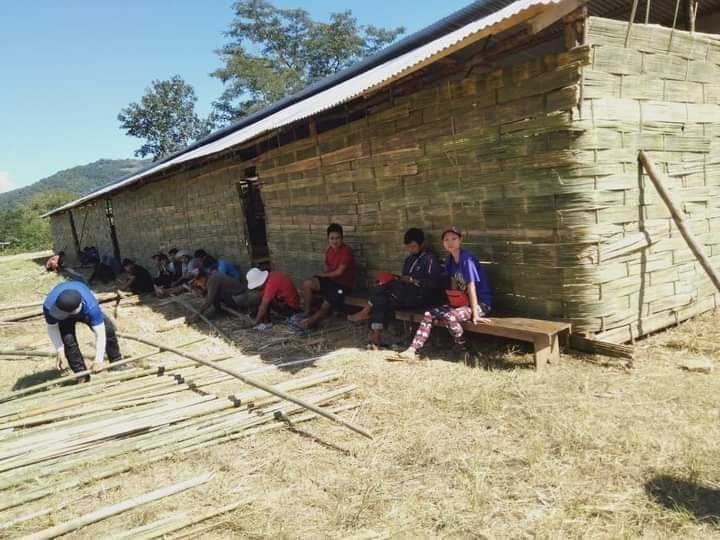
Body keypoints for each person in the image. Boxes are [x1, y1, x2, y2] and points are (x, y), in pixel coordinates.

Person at [399, 226, 492, 362]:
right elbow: (453, 282)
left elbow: (471, 286)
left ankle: (464, 349)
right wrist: (454, 302)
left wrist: (476, 315)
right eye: (446, 240)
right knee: (429, 314)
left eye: (454, 239)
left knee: (450, 316)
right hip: (462, 303)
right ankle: (412, 349)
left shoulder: (467, 259)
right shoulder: (449, 260)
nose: (450, 242)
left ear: (461, 240)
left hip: (480, 303)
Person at [348, 228, 442, 348]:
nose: (410, 250)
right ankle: (376, 338)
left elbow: (433, 284)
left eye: (413, 247)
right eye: (408, 247)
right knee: (381, 299)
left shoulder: (430, 259)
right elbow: (404, 280)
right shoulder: (409, 259)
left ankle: (365, 311)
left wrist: (412, 280)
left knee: (386, 283)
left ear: (422, 244)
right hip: (406, 295)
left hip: (421, 297)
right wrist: (399, 279)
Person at [43, 281, 126, 381]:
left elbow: (100, 333)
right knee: (68, 341)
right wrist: (60, 350)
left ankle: (116, 362)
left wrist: (98, 361)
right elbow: (52, 327)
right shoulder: (50, 307)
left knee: (107, 329)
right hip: (66, 312)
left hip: (82, 309)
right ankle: (81, 375)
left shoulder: (92, 307)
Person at [298, 223, 355, 330]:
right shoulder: (329, 251)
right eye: (332, 238)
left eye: (337, 238)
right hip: (331, 281)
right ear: (328, 239)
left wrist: (323, 275)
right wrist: (321, 277)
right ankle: (307, 312)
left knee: (325, 304)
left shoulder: (346, 251)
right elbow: (329, 270)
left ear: (342, 238)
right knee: (307, 283)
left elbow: (339, 272)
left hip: (343, 286)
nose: (335, 241)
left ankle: (310, 322)